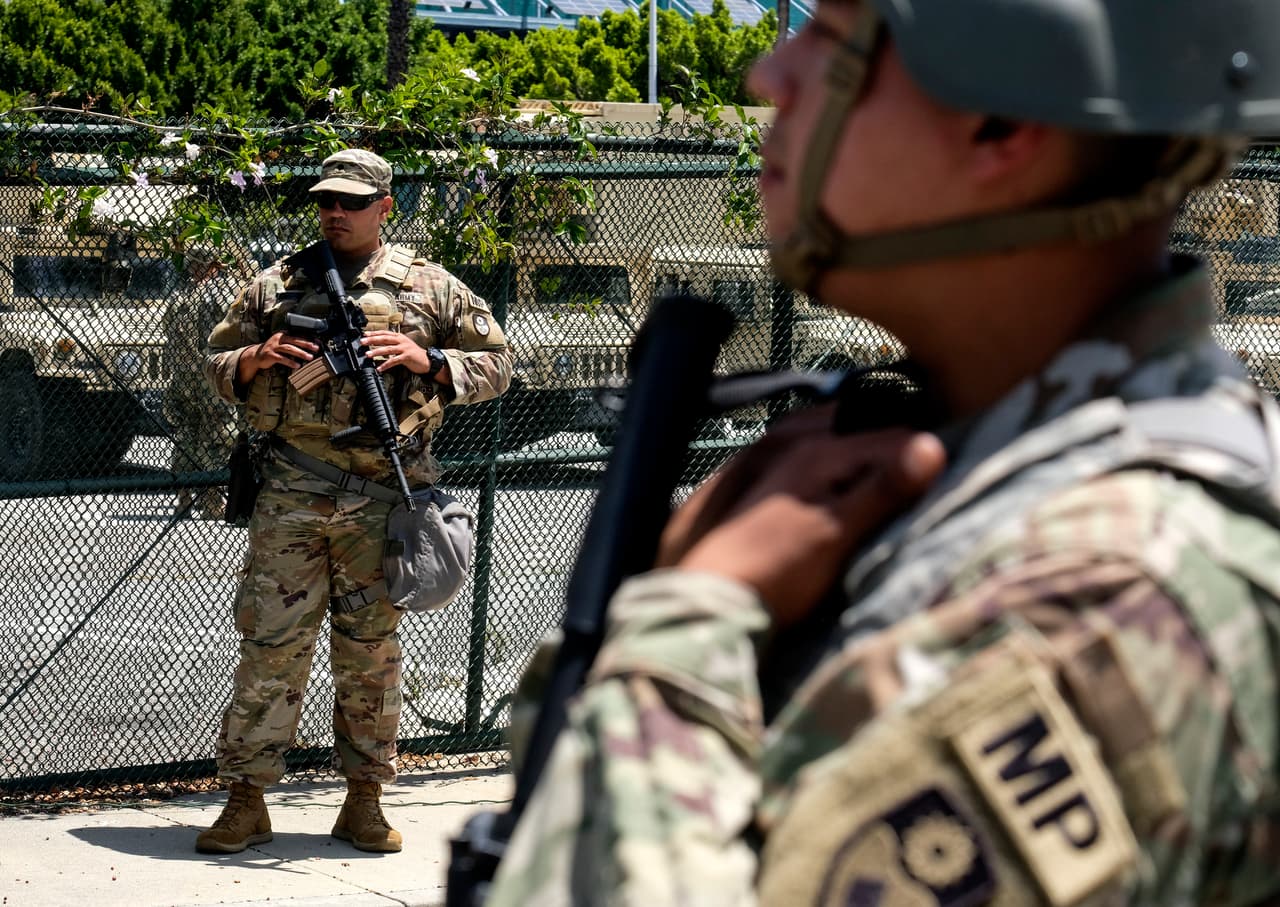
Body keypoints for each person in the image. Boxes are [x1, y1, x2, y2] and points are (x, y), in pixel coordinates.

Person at [486, 1, 1280, 904]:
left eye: (833, 38)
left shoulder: (1107, 597)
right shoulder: (989, 457)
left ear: (998, 121)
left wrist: (686, 625)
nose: (769, 76)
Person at [197, 149, 513, 855]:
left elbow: (500, 365)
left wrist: (429, 360)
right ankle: (246, 800)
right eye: (326, 201)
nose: (334, 212)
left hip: (381, 500)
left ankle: (364, 800)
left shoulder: (431, 287)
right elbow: (212, 363)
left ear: (384, 208)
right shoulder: (277, 284)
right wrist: (254, 359)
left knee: (370, 652)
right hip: (292, 493)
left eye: (351, 202)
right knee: (271, 646)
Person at [162, 243, 247, 519]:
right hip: (211, 376)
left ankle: (184, 497)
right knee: (219, 434)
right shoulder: (223, 291)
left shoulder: (179, 295)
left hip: (183, 376)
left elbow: (169, 331)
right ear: (214, 265)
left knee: (187, 432)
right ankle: (212, 499)